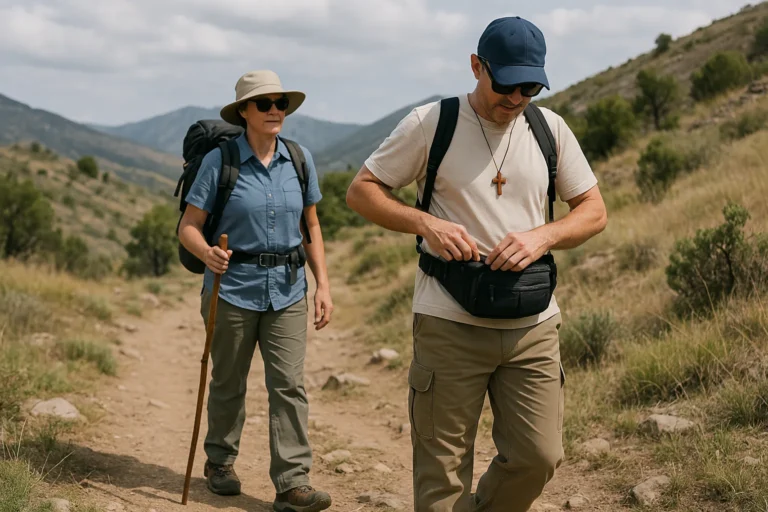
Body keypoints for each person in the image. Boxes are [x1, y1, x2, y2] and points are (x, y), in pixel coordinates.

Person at [346, 16, 607, 512]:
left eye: (529, 87)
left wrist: (544, 236)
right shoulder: (431, 123)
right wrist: (426, 224)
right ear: (476, 67)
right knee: (441, 474)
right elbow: (361, 191)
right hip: (449, 321)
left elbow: (594, 211)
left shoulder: (549, 128)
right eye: (505, 85)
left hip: (533, 324)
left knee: (538, 457)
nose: (516, 98)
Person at [178, 69, 333, 512]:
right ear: (244, 111)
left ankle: (292, 483)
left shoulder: (299, 159)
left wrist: (323, 285)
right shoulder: (220, 162)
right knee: (229, 380)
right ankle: (220, 462)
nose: (274, 110)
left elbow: (311, 226)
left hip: (288, 290)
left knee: (289, 385)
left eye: (280, 103)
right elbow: (189, 226)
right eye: (264, 104)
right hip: (230, 290)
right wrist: (207, 253)